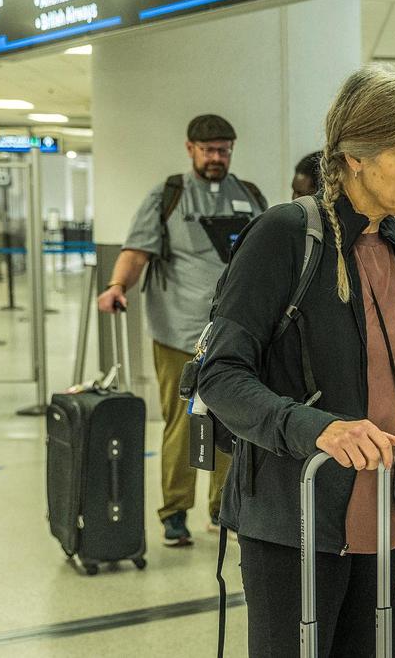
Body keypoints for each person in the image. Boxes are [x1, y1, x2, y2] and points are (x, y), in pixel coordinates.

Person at [196, 64, 395, 656]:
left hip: (384, 517)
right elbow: (221, 376)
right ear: (356, 156)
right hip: (298, 521)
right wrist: (318, 429)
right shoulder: (286, 234)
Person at [97, 114, 267, 547]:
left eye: (224, 150)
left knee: (235, 418)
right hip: (178, 332)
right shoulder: (168, 195)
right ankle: (174, 512)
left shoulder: (248, 195)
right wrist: (118, 285)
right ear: (190, 148)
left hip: (234, 331)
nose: (216, 157)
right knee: (182, 421)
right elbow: (136, 252)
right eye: (208, 150)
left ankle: (222, 509)